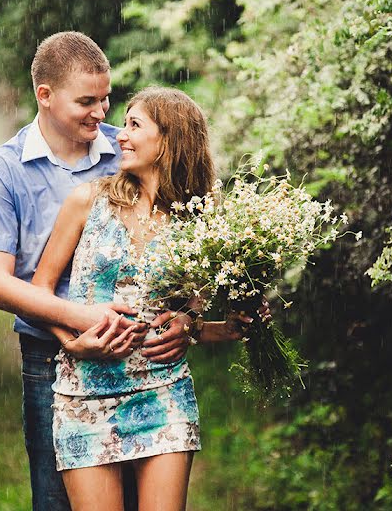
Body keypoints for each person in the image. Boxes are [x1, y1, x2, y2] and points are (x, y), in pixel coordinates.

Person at [0, 33, 196, 511]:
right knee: (56, 500)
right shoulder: (4, 170)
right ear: (45, 96)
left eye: (106, 99)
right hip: (50, 356)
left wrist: (189, 321)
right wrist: (74, 327)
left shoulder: (129, 149)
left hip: (143, 359)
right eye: (87, 102)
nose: (102, 113)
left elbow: (183, 240)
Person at [31, 86, 253, 511]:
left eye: (135, 125)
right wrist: (70, 340)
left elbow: (188, 316)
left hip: (163, 392)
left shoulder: (203, 219)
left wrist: (210, 326)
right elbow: (40, 291)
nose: (121, 135)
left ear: (168, 139)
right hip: (83, 395)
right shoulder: (88, 201)